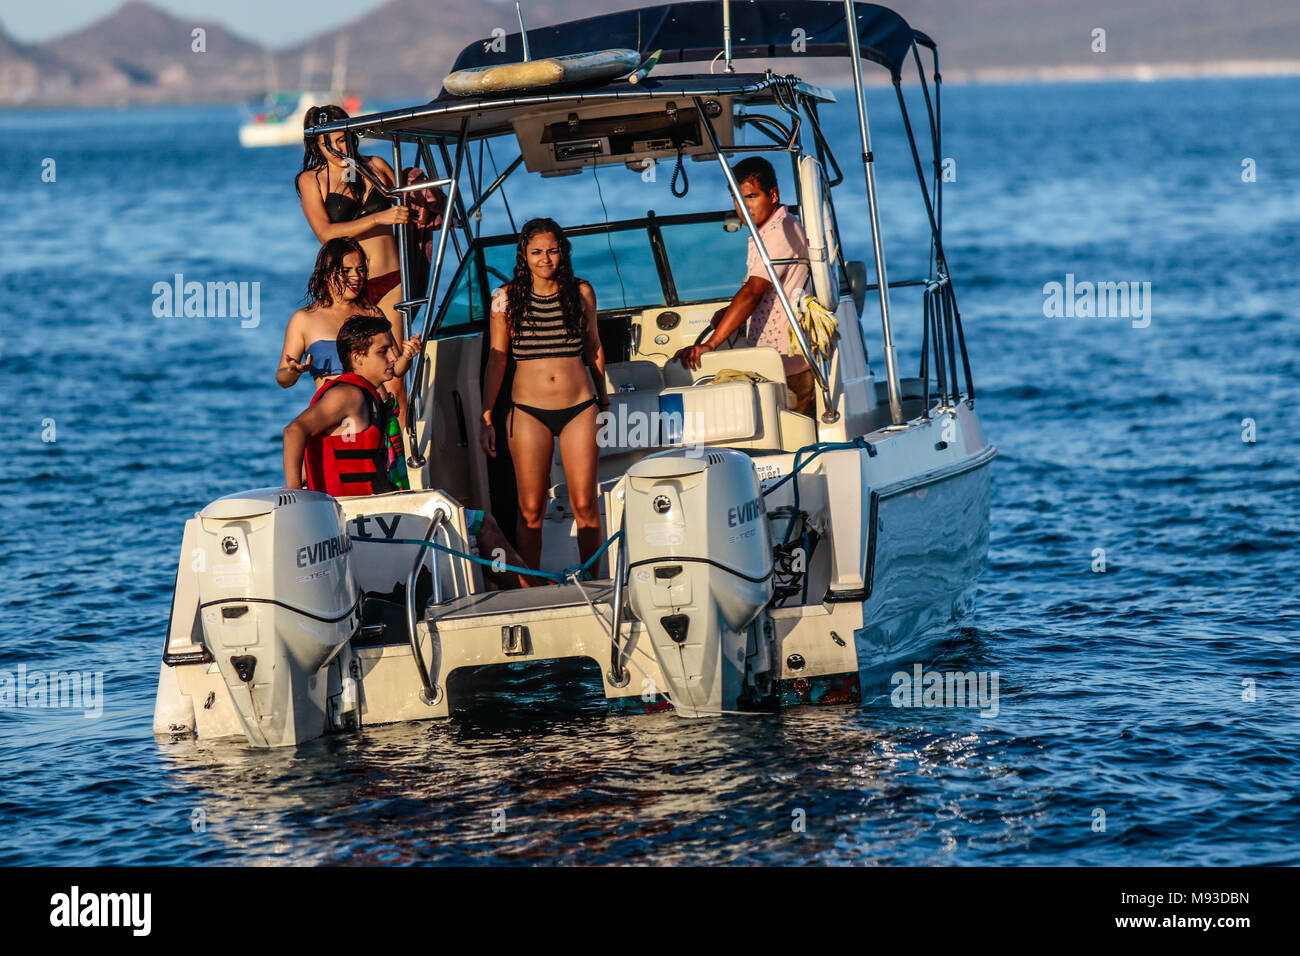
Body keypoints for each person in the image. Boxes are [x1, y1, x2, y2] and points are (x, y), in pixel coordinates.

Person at [283, 315, 530, 589]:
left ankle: (509, 588)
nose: (393, 356)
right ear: (357, 356)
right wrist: (297, 502)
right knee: (482, 524)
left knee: (472, 541)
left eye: (392, 348)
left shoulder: (368, 393)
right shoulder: (347, 396)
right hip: (365, 518)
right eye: (383, 351)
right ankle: (532, 594)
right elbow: (295, 431)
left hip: (375, 512)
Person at [479, 218, 610, 578]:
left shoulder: (581, 291)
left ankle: (594, 581)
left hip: (580, 407)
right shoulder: (504, 298)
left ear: (563, 251)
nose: (545, 258)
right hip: (528, 411)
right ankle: (531, 588)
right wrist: (487, 414)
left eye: (552, 251)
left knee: (585, 503)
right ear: (524, 254)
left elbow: (594, 346)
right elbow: (497, 358)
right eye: (537, 252)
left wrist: (604, 398)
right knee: (531, 509)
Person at [295, 104, 415, 426]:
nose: (340, 148)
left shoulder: (374, 165)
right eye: (330, 142)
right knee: (356, 379)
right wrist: (380, 217)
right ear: (316, 144)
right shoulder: (312, 180)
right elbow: (325, 233)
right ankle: (360, 448)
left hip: (391, 279)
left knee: (394, 380)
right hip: (351, 288)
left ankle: (401, 463)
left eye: (345, 139)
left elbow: (409, 202)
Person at [673, 156, 816, 416]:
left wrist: (711, 344)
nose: (743, 207)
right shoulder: (766, 230)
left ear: (772, 195)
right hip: (772, 363)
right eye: (737, 199)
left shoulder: (781, 230)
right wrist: (728, 315)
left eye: (751, 197)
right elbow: (765, 291)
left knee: (794, 440)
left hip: (791, 366)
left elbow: (753, 291)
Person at [276, 238, 415, 390]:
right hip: (334, 411)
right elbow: (283, 379)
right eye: (346, 271)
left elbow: (396, 369)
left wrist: (407, 356)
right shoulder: (304, 319)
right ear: (326, 274)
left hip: (375, 409)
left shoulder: (372, 313)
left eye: (360, 270)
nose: (356, 277)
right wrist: (293, 372)